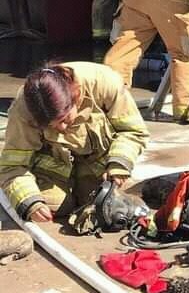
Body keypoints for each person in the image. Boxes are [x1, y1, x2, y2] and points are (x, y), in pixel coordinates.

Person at [0, 62, 148, 222]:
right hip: (53, 172)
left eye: (64, 119)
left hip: (100, 168)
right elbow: (13, 166)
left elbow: (133, 131)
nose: (61, 128)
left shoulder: (105, 83)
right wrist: (30, 201)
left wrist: (119, 164)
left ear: (76, 97)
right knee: (52, 205)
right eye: (51, 125)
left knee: (108, 205)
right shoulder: (23, 110)